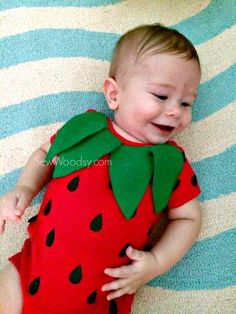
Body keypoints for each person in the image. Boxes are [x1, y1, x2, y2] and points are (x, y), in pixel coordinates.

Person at [0, 23, 202, 314]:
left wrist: (157, 262)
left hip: (100, 296)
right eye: (161, 96)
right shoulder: (87, 129)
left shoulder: (171, 162)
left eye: (187, 102)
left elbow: (189, 218)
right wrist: (23, 188)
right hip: (31, 270)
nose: (175, 111)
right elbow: (46, 154)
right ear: (114, 94)